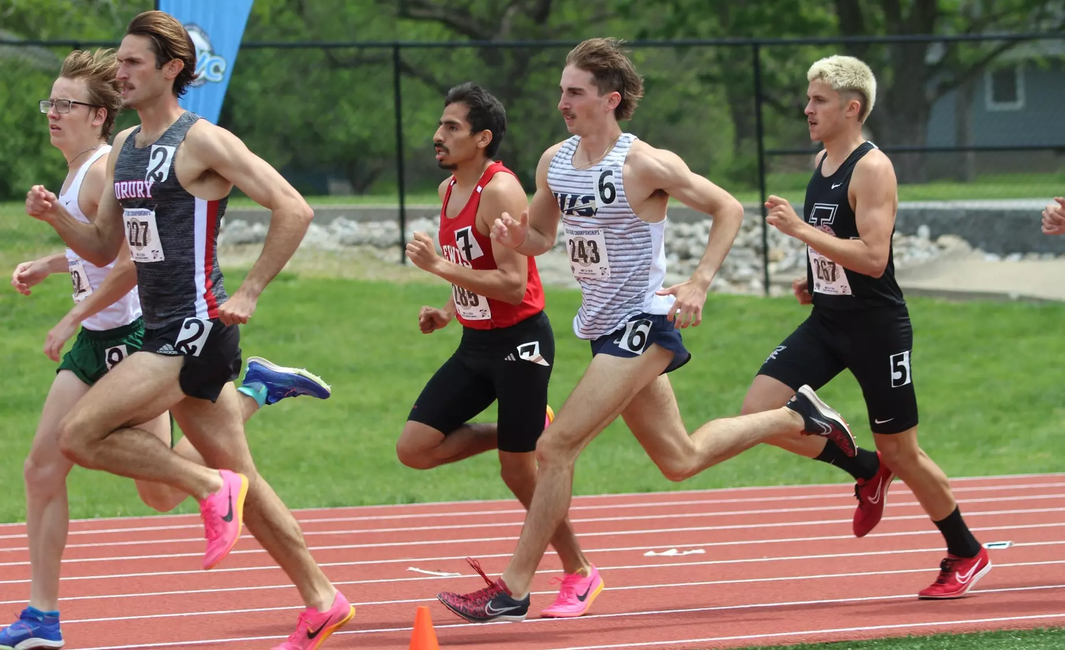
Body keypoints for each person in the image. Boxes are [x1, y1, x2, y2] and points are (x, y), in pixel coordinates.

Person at [436, 38, 858, 624]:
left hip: (644, 322)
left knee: (555, 447)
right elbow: (541, 239)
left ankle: (513, 589)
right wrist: (515, 240)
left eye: (575, 92)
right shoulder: (554, 163)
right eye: (561, 90)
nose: (563, 101)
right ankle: (795, 418)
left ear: (609, 100)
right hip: (602, 325)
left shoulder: (644, 163)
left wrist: (698, 282)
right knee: (679, 459)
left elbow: (728, 208)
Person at [22, 12, 352, 649]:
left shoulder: (203, 141)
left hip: (196, 330)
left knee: (79, 434)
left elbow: (294, 207)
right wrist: (54, 219)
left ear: (171, 68)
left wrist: (252, 289)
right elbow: (101, 247)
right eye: (118, 63)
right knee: (245, 482)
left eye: (133, 64)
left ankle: (208, 486)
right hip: (164, 334)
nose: (120, 74)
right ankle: (322, 597)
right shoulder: (124, 149)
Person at [745, 54, 990, 599]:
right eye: (808, 99)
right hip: (829, 319)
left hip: (877, 330)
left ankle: (967, 551)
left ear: (851, 108)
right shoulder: (822, 161)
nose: (807, 109)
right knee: (757, 411)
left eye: (819, 101)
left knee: (905, 452)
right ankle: (862, 467)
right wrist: (814, 278)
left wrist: (802, 232)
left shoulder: (872, 167)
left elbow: (874, 257)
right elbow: (840, 241)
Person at [402, 82, 600, 619]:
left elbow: (514, 284)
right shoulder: (449, 191)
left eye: (452, 128)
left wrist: (440, 268)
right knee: (415, 448)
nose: (438, 136)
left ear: (483, 138)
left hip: (521, 342)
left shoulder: (502, 190)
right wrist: (447, 307)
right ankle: (524, 432)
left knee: (521, 473)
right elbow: (475, 263)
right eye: (440, 125)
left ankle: (580, 571)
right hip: (474, 344)